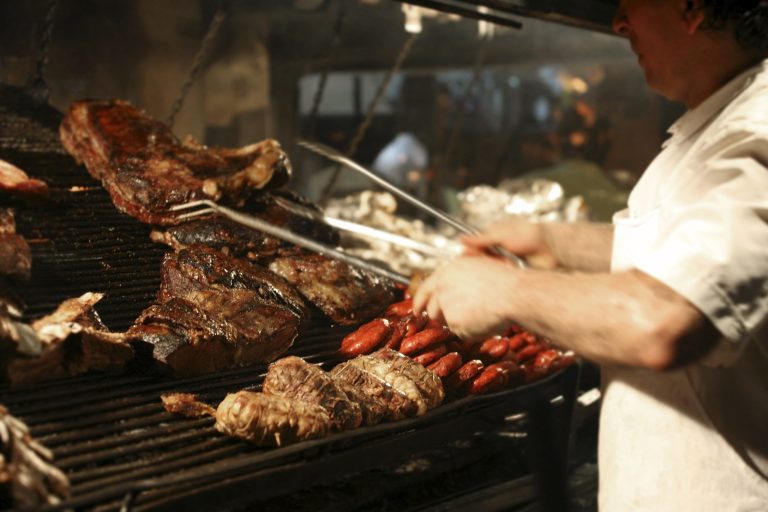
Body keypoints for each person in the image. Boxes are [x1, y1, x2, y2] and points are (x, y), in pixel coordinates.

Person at [413, 1, 768, 510]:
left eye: (631, 4)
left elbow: (666, 320)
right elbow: (678, 254)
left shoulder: (756, 134)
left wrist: (507, 290)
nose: (619, 23)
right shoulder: (720, 123)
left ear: (688, 8)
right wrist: (556, 242)